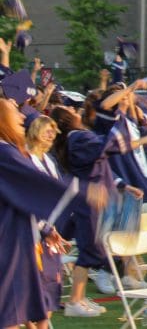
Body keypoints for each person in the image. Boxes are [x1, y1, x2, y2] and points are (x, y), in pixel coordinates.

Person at [0, 98, 95, 329]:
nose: (23, 117)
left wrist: (46, 229)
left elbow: (21, 196)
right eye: (15, 112)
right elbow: (35, 185)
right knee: (8, 311)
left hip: (17, 237)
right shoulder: (4, 152)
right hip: (7, 241)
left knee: (11, 311)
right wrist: (84, 191)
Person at [51, 86, 146, 313]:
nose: (76, 112)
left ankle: (80, 298)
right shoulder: (79, 139)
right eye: (71, 111)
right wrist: (126, 98)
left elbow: (101, 168)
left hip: (97, 199)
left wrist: (123, 185)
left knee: (94, 249)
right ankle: (75, 300)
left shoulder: (80, 138)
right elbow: (106, 146)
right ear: (66, 121)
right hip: (90, 202)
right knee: (89, 250)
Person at [23, 114, 72, 324]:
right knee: (32, 285)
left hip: (51, 231)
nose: (52, 134)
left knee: (52, 284)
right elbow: (26, 199)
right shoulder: (23, 159)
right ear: (34, 131)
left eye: (53, 129)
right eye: (47, 129)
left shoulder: (50, 161)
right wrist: (45, 228)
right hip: (29, 232)